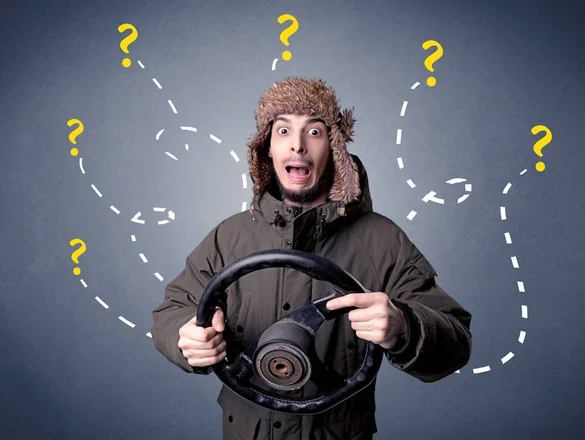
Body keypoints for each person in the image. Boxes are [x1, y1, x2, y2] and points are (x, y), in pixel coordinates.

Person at [151, 76, 472, 440]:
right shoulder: (229, 236)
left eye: (314, 132)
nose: (298, 145)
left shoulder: (382, 240)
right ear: (267, 149)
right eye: (283, 130)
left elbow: (456, 340)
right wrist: (184, 336)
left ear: (334, 148)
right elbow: (173, 310)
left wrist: (405, 327)